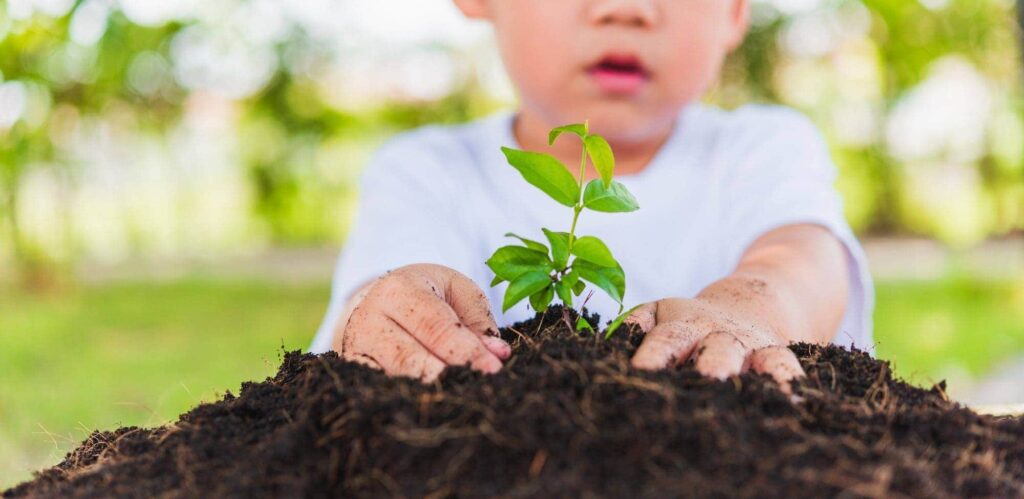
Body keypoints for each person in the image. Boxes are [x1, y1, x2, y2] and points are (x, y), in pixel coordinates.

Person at [309, 0, 873, 391]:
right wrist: (386, 314)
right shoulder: (426, 171)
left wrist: (748, 313)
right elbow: (374, 305)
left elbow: (806, 260)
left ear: (734, 12)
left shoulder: (762, 148)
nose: (626, 10)